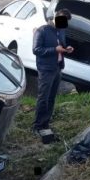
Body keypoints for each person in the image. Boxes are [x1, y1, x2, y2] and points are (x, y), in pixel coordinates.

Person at [32, 8, 74, 143]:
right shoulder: (42, 31)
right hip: (45, 69)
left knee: (51, 97)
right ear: (55, 18)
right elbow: (36, 50)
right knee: (43, 97)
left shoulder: (61, 30)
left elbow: (62, 45)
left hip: (57, 68)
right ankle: (37, 125)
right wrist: (54, 50)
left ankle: (46, 122)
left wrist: (67, 48)